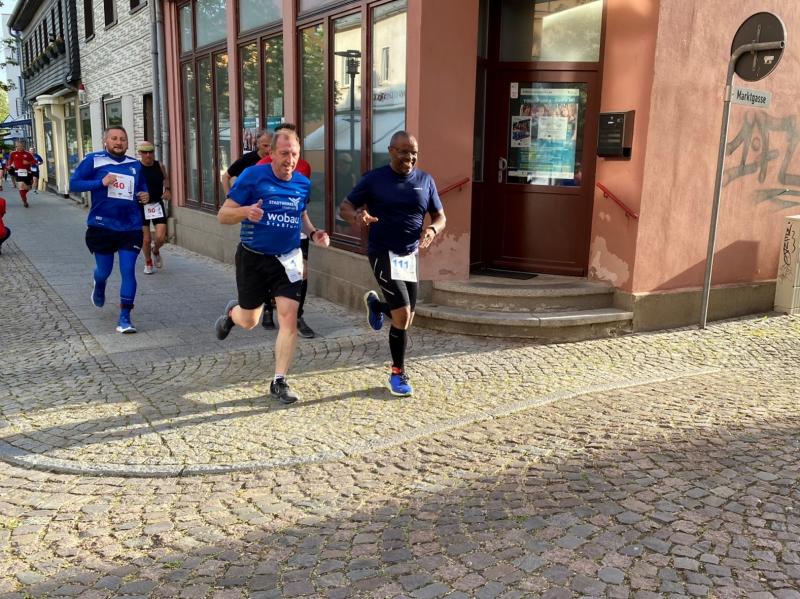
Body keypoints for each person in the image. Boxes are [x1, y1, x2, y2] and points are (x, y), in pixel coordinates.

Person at [214, 129, 329, 404]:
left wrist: (314, 233)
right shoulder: (253, 176)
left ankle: (279, 381)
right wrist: (245, 211)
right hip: (253, 258)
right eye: (284, 153)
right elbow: (223, 215)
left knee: (288, 317)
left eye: (294, 154)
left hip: (288, 259)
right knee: (250, 320)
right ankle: (232, 314)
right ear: (271, 153)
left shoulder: (302, 183)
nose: (290, 160)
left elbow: (300, 214)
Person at [339, 131, 446, 397]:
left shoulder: (425, 180)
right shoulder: (374, 179)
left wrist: (432, 230)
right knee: (402, 315)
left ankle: (376, 305)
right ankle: (397, 374)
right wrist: (357, 217)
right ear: (390, 151)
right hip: (382, 252)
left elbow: (440, 216)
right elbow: (345, 206)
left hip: (409, 256)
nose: (409, 157)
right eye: (403, 152)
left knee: (407, 318)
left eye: (414, 152)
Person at [69, 126, 149, 334]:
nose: (119, 142)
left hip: (130, 225)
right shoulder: (93, 160)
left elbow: (142, 188)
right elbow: (74, 184)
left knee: (128, 270)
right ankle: (99, 282)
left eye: (123, 139)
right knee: (104, 271)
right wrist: (101, 182)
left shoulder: (135, 164)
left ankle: (125, 318)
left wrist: (145, 195)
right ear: (106, 141)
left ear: (127, 143)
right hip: (102, 225)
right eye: (114, 138)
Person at [255, 123, 315, 336]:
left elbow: (303, 201)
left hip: (296, 228)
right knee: (269, 272)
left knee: (302, 272)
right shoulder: (261, 166)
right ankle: (268, 308)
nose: (290, 156)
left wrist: (312, 230)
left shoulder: (305, 166)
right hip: (269, 231)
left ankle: (297, 316)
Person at [137, 141, 171, 274]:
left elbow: (166, 178)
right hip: (141, 206)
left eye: (150, 152)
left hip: (157, 204)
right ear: (140, 153)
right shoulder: (137, 168)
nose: (148, 155)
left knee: (161, 237)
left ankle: (155, 250)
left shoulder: (159, 165)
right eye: (145, 152)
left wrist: (167, 190)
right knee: (146, 239)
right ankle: (148, 262)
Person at [221, 130, 272, 196]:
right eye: (265, 146)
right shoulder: (247, 158)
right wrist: (229, 197)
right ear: (258, 144)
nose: (269, 149)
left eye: (271, 146)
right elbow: (225, 177)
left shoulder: (276, 159)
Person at [9, 140, 36, 207]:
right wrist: (9, 166)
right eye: (17, 146)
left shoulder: (28, 154)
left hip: (27, 172)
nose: (18, 147)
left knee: (28, 188)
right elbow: (10, 162)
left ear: (23, 146)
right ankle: (24, 201)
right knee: (21, 186)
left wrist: (28, 162)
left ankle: (24, 193)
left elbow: (34, 161)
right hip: (18, 172)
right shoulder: (13, 153)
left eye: (20, 146)